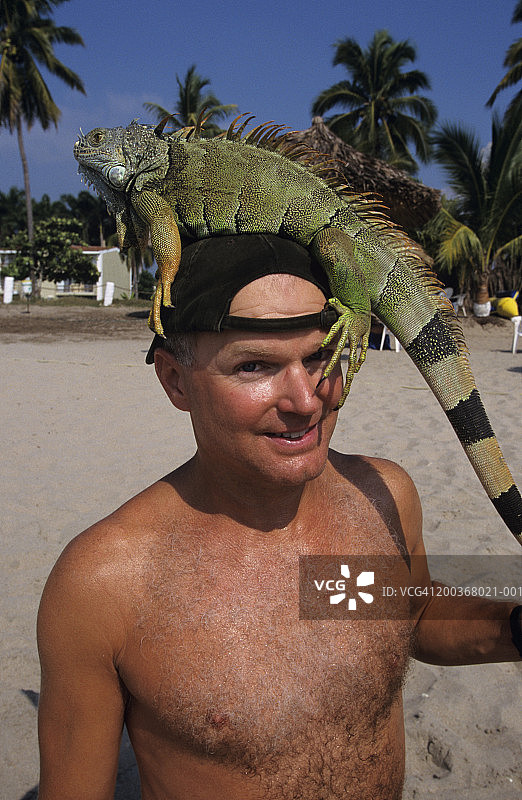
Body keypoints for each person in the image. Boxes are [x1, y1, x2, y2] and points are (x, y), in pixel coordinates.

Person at [37, 234, 521, 800]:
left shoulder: (379, 496)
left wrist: (514, 625)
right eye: (256, 366)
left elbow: (405, 614)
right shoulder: (106, 583)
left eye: (320, 356)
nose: (306, 400)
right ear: (175, 380)